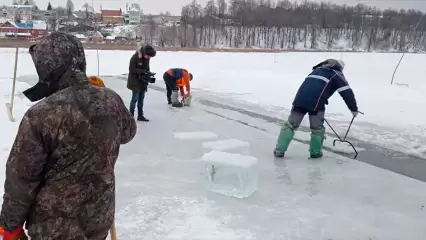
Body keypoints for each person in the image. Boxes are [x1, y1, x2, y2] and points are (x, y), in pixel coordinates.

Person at [0, 32, 137, 239]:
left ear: (49, 67)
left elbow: (21, 179)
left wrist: (10, 226)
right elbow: (128, 132)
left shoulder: (41, 114)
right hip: (98, 219)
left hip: (54, 228)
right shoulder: (110, 100)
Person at [273, 59, 358, 159]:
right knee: (317, 129)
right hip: (317, 104)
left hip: (299, 100)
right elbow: (346, 91)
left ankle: (279, 150)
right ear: (339, 67)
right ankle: (315, 153)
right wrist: (353, 109)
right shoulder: (336, 74)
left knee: (290, 125)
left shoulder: (316, 70)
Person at [127, 45, 156, 121]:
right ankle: (131, 116)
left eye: (150, 57)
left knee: (141, 99)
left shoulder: (147, 58)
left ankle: (140, 115)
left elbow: (147, 68)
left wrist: (148, 74)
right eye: (148, 56)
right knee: (135, 99)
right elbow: (131, 69)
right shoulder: (135, 57)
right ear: (144, 53)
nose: (149, 58)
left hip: (143, 82)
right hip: (135, 81)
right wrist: (143, 72)